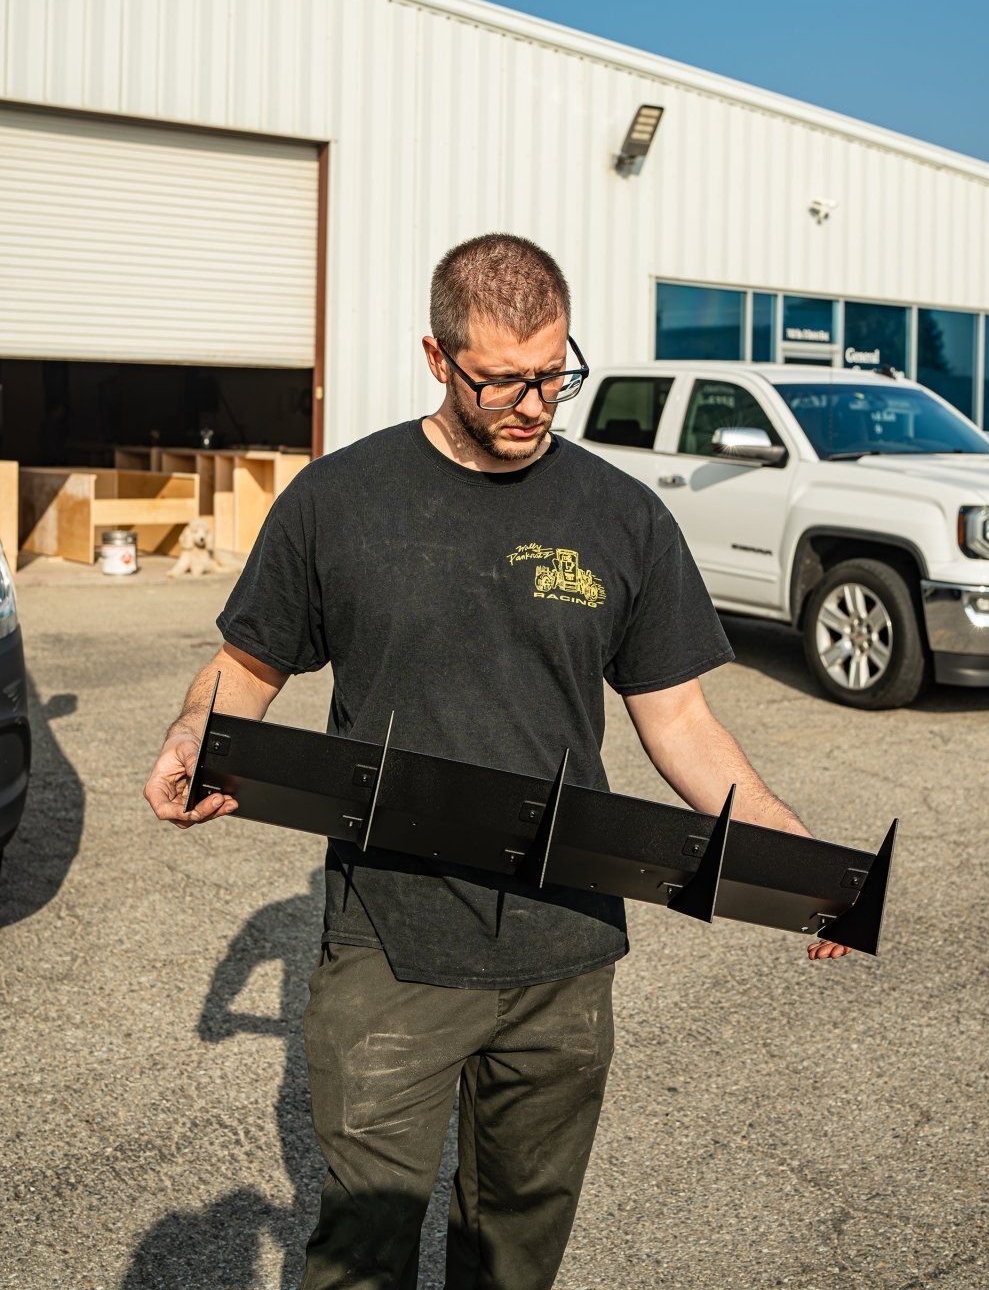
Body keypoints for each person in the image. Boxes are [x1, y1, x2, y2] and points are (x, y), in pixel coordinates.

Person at [144, 233, 848, 1290]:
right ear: (437, 357)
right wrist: (192, 736)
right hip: (391, 942)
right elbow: (246, 666)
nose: (532, 403)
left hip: (564, 949)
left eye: (554, 374)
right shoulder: (340, 500)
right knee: (363, 1253)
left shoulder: (619, 515)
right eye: (502, 380)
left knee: (515, 1252)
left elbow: (680, 721)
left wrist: (785, 847)